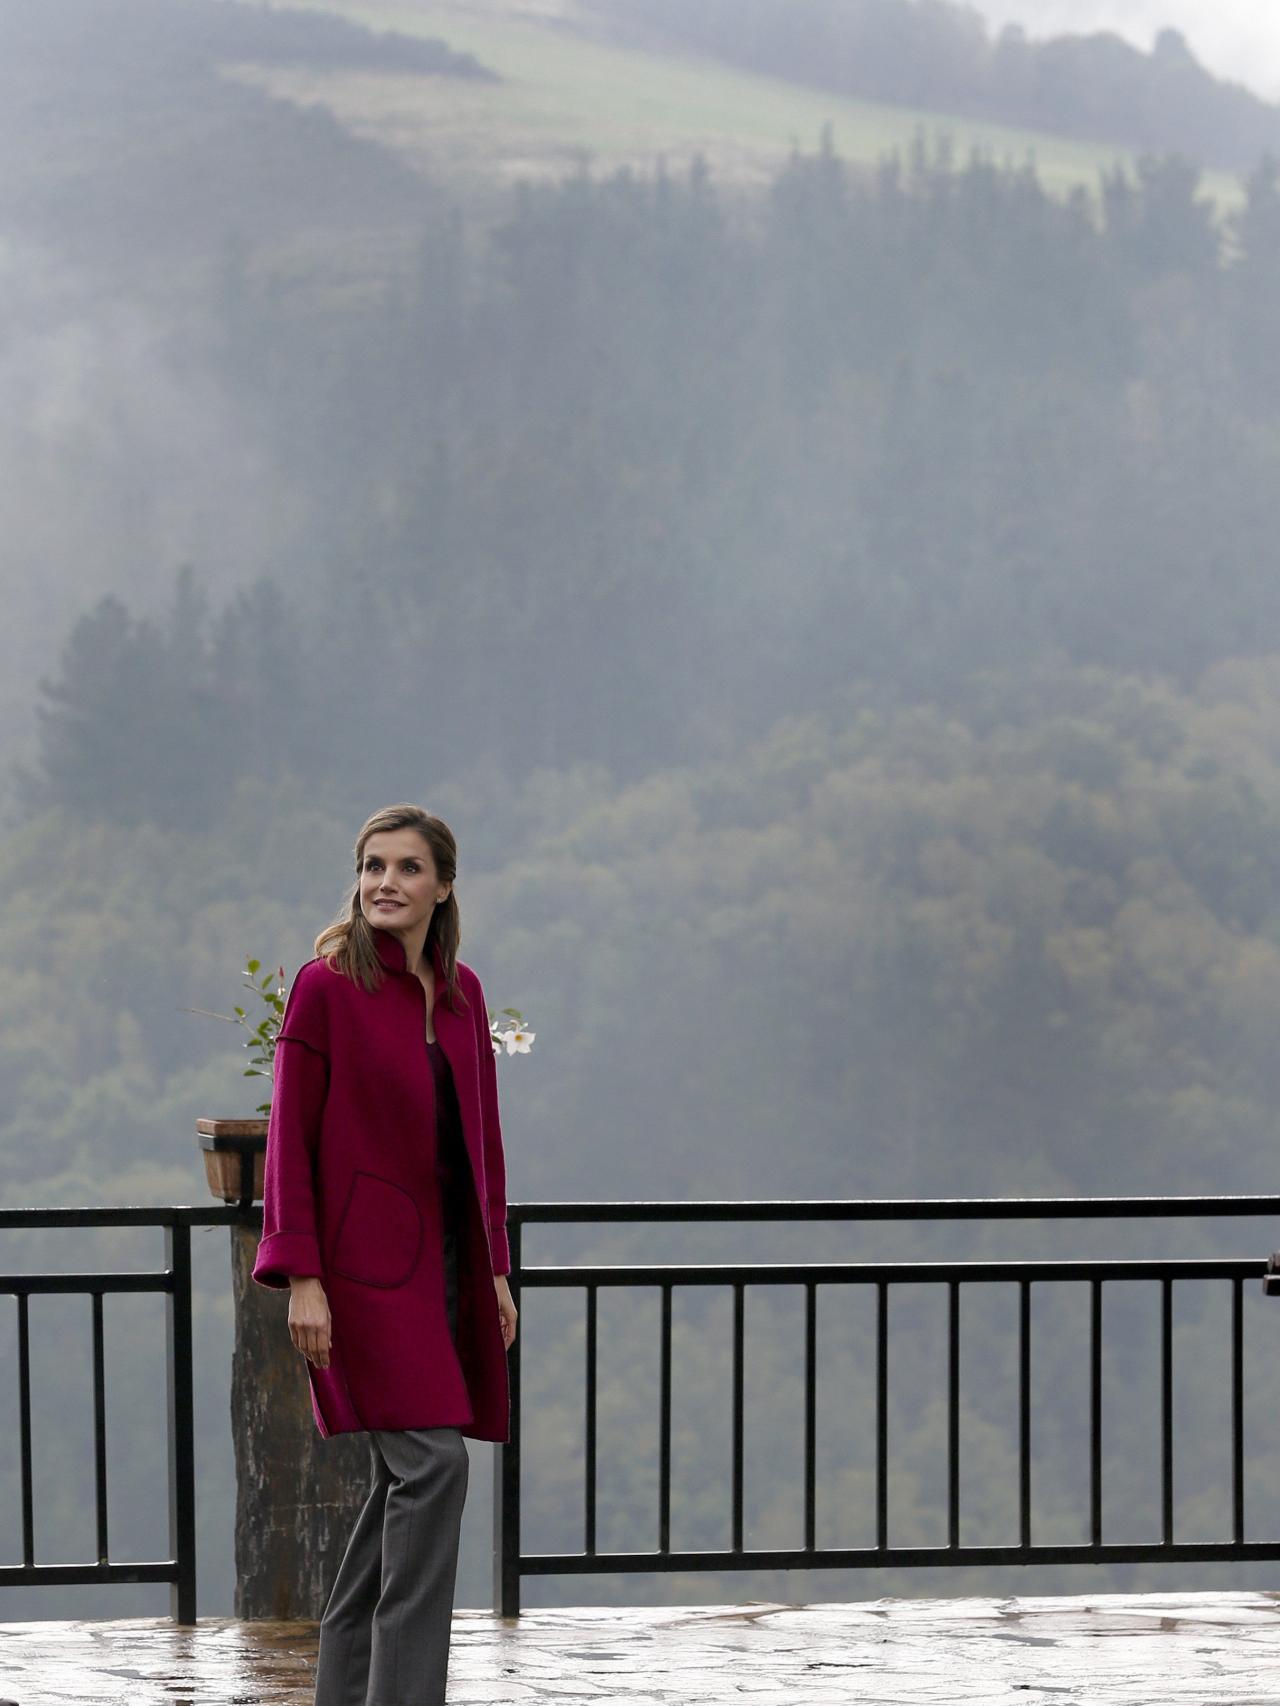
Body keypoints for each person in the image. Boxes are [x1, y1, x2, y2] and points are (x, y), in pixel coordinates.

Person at [251, 802, 518, 1706]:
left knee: (402, 1478)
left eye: (407, 868)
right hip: (361, 1277)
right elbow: (288, 1139)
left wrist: (493, 1270)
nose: (385, 884)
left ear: (443, 886)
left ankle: (348, 1686)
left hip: (444, 1273)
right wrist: (302, 1277)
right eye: (372, 866)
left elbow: (479, 1141)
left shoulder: (462, 991)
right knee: (433, 1465)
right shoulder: (324, 988)